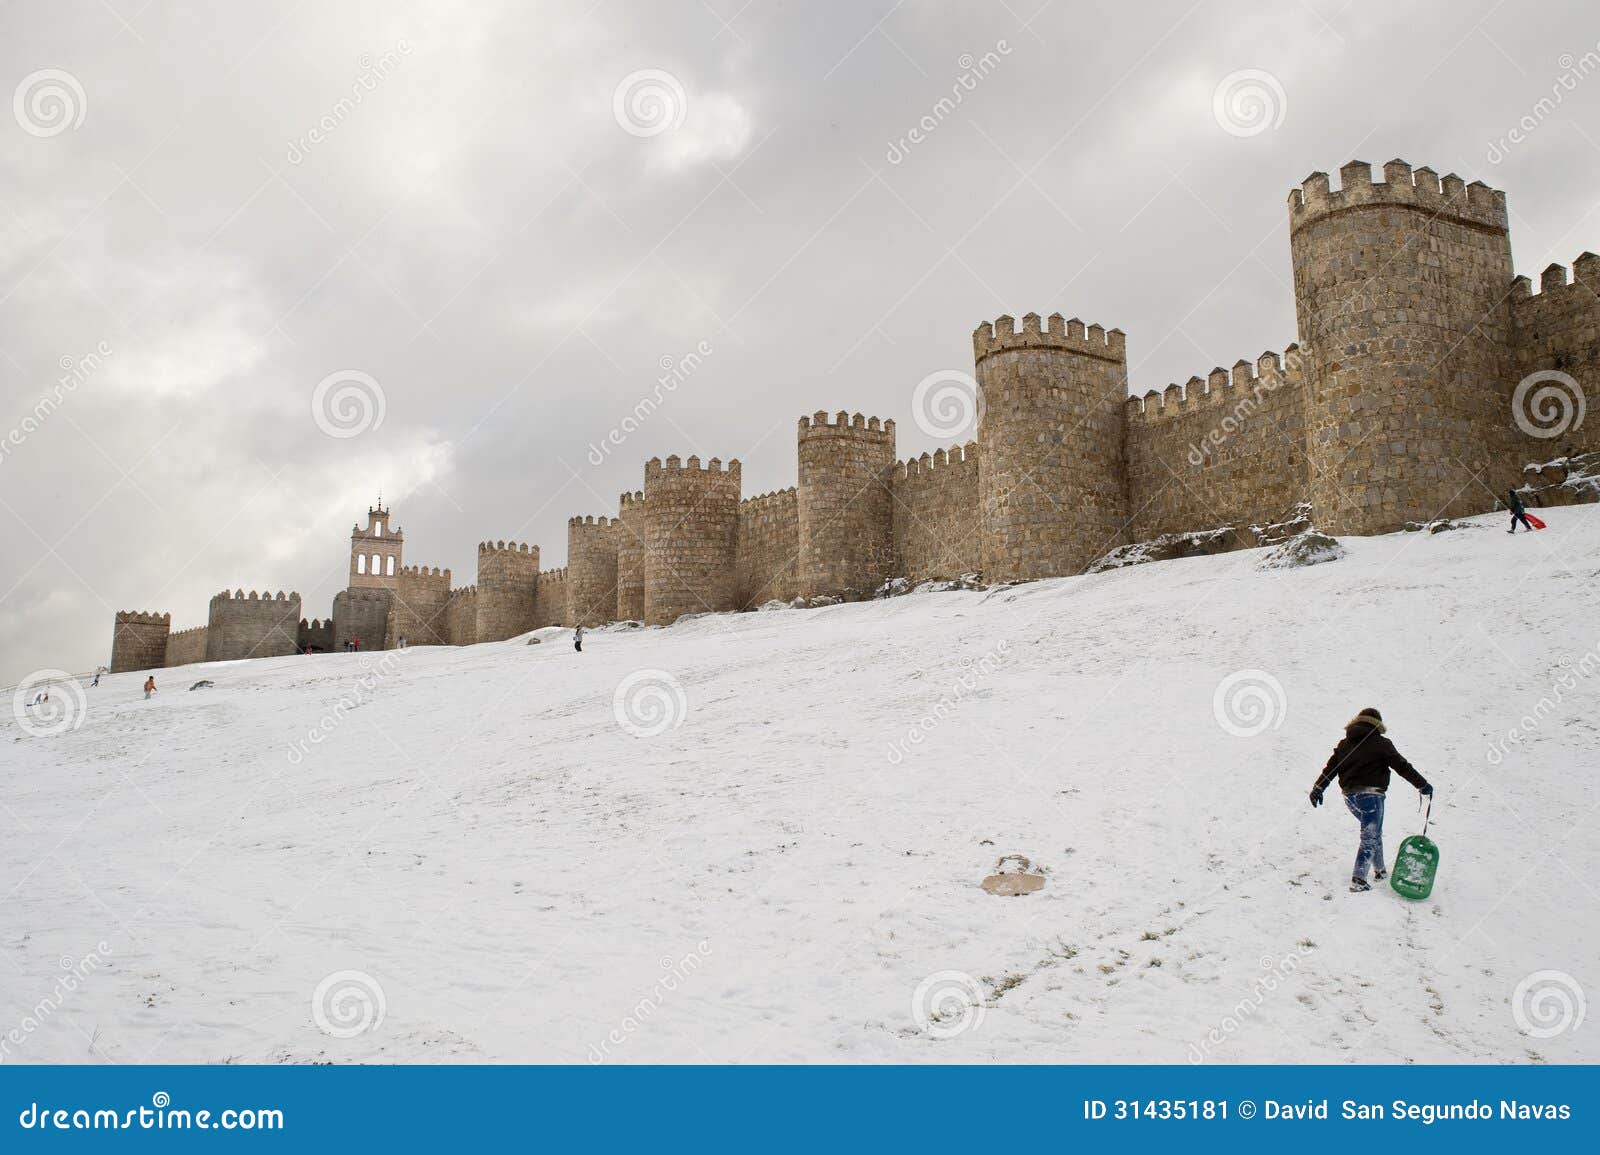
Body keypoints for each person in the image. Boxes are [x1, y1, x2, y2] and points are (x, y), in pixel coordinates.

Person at [1309, 708, 1432, 892]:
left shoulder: (1345, 744)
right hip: (1371, 796)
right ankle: (1358, 879)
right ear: (1377, 724)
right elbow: (1402, 766)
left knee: (1373, 832)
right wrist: (1422, 785)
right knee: (1370, 835)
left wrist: (1318, 788)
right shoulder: (1381, 743)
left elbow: (1331, 768)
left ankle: (1380, 870)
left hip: (1350, 797)